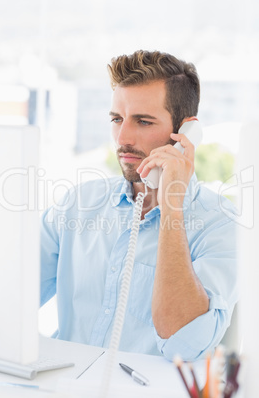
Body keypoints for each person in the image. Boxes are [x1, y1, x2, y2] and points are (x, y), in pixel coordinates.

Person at [40, 50, 238, 361]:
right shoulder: (77, 204)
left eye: (143, 121)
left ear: (185, 133)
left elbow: (182, 345)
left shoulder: (222, 224)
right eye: (116, 119)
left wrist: (170, 207)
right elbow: (10, 297)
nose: (123, 138)